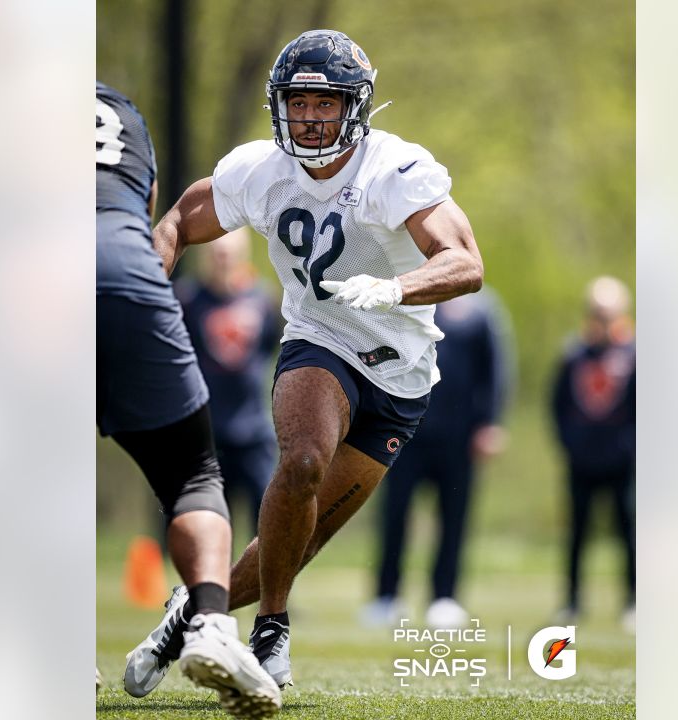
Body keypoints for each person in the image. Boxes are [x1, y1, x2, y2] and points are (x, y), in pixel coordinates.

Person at [132, 29, 485, 690]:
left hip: (402, 372)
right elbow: (181, 217)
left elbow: (466, 264)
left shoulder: (393, 170)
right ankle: (271, 637)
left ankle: (187, 617)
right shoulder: (262, 170)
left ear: (356, 106)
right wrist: (148, 290)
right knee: (300, 461)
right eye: (300, 101)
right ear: (280, 104)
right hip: (320, 338)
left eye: (328, 103)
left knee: (301, 537)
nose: (312, 117)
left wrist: (393, 288)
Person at [96, 81, 281, 718]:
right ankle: (210, 626)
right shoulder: (121, 111)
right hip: (127, 271)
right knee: (192, 478)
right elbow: (147, 204)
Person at [361, 288, 513, 629]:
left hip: (459, 439)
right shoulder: (409, 299)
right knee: (394, 515)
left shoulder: (483, 310)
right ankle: (386, 596)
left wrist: (490, 423)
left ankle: (444, 597)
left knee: (454, 518)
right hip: (405, 433)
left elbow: (495, 371)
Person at [176, 229, 283, 535]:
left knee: (266, 527)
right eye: (216, 255)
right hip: (207, 435)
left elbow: (270, 348)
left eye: (228, 255)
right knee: (211, 528)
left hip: (254, 433)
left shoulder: (263, 299)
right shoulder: (188, 300)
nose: (222, 262)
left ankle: (260, 585)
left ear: (242, 256)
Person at [551, 276, 636, 631]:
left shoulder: (634, 354)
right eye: (596, 312)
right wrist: (571, 443)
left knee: (629, 532)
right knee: (577, 533)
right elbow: (557, 405)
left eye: (608, 312)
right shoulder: (574, 354)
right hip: (582, 460)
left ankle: (634, 601)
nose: (601, 319)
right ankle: (571, 601)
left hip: (624, 461)